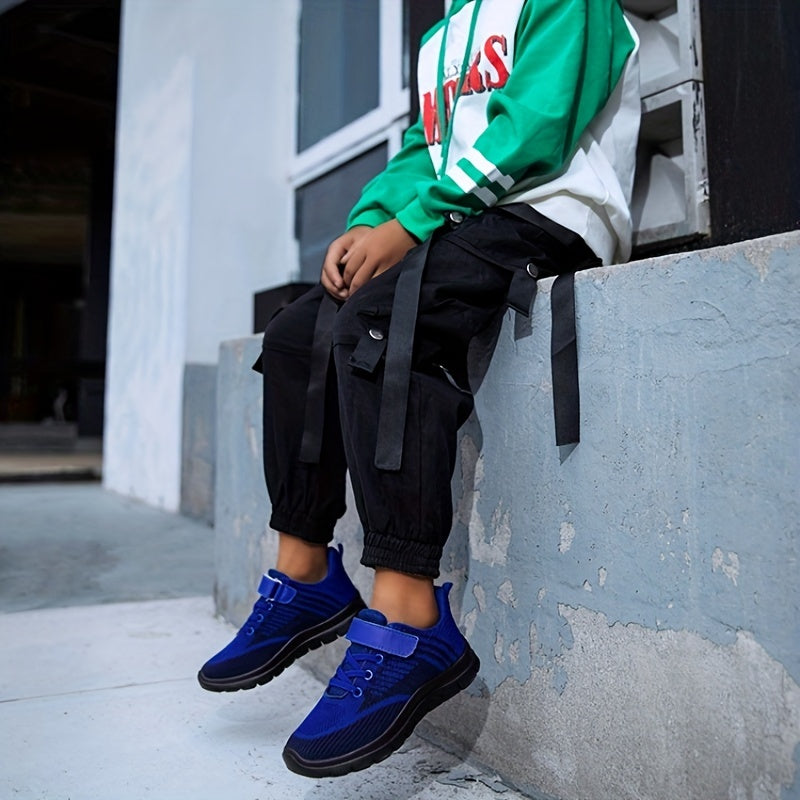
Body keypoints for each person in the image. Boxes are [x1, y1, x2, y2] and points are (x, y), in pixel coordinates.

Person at [199, 0, 640, 779]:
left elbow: (535, 130)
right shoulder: (443, 33)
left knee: (378, 323)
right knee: (300, 334)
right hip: (459, 222)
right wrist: (370, 222)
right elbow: (423, 152)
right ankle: (304, 571)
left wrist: (411, 228)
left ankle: (409, 615)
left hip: (549, 212)